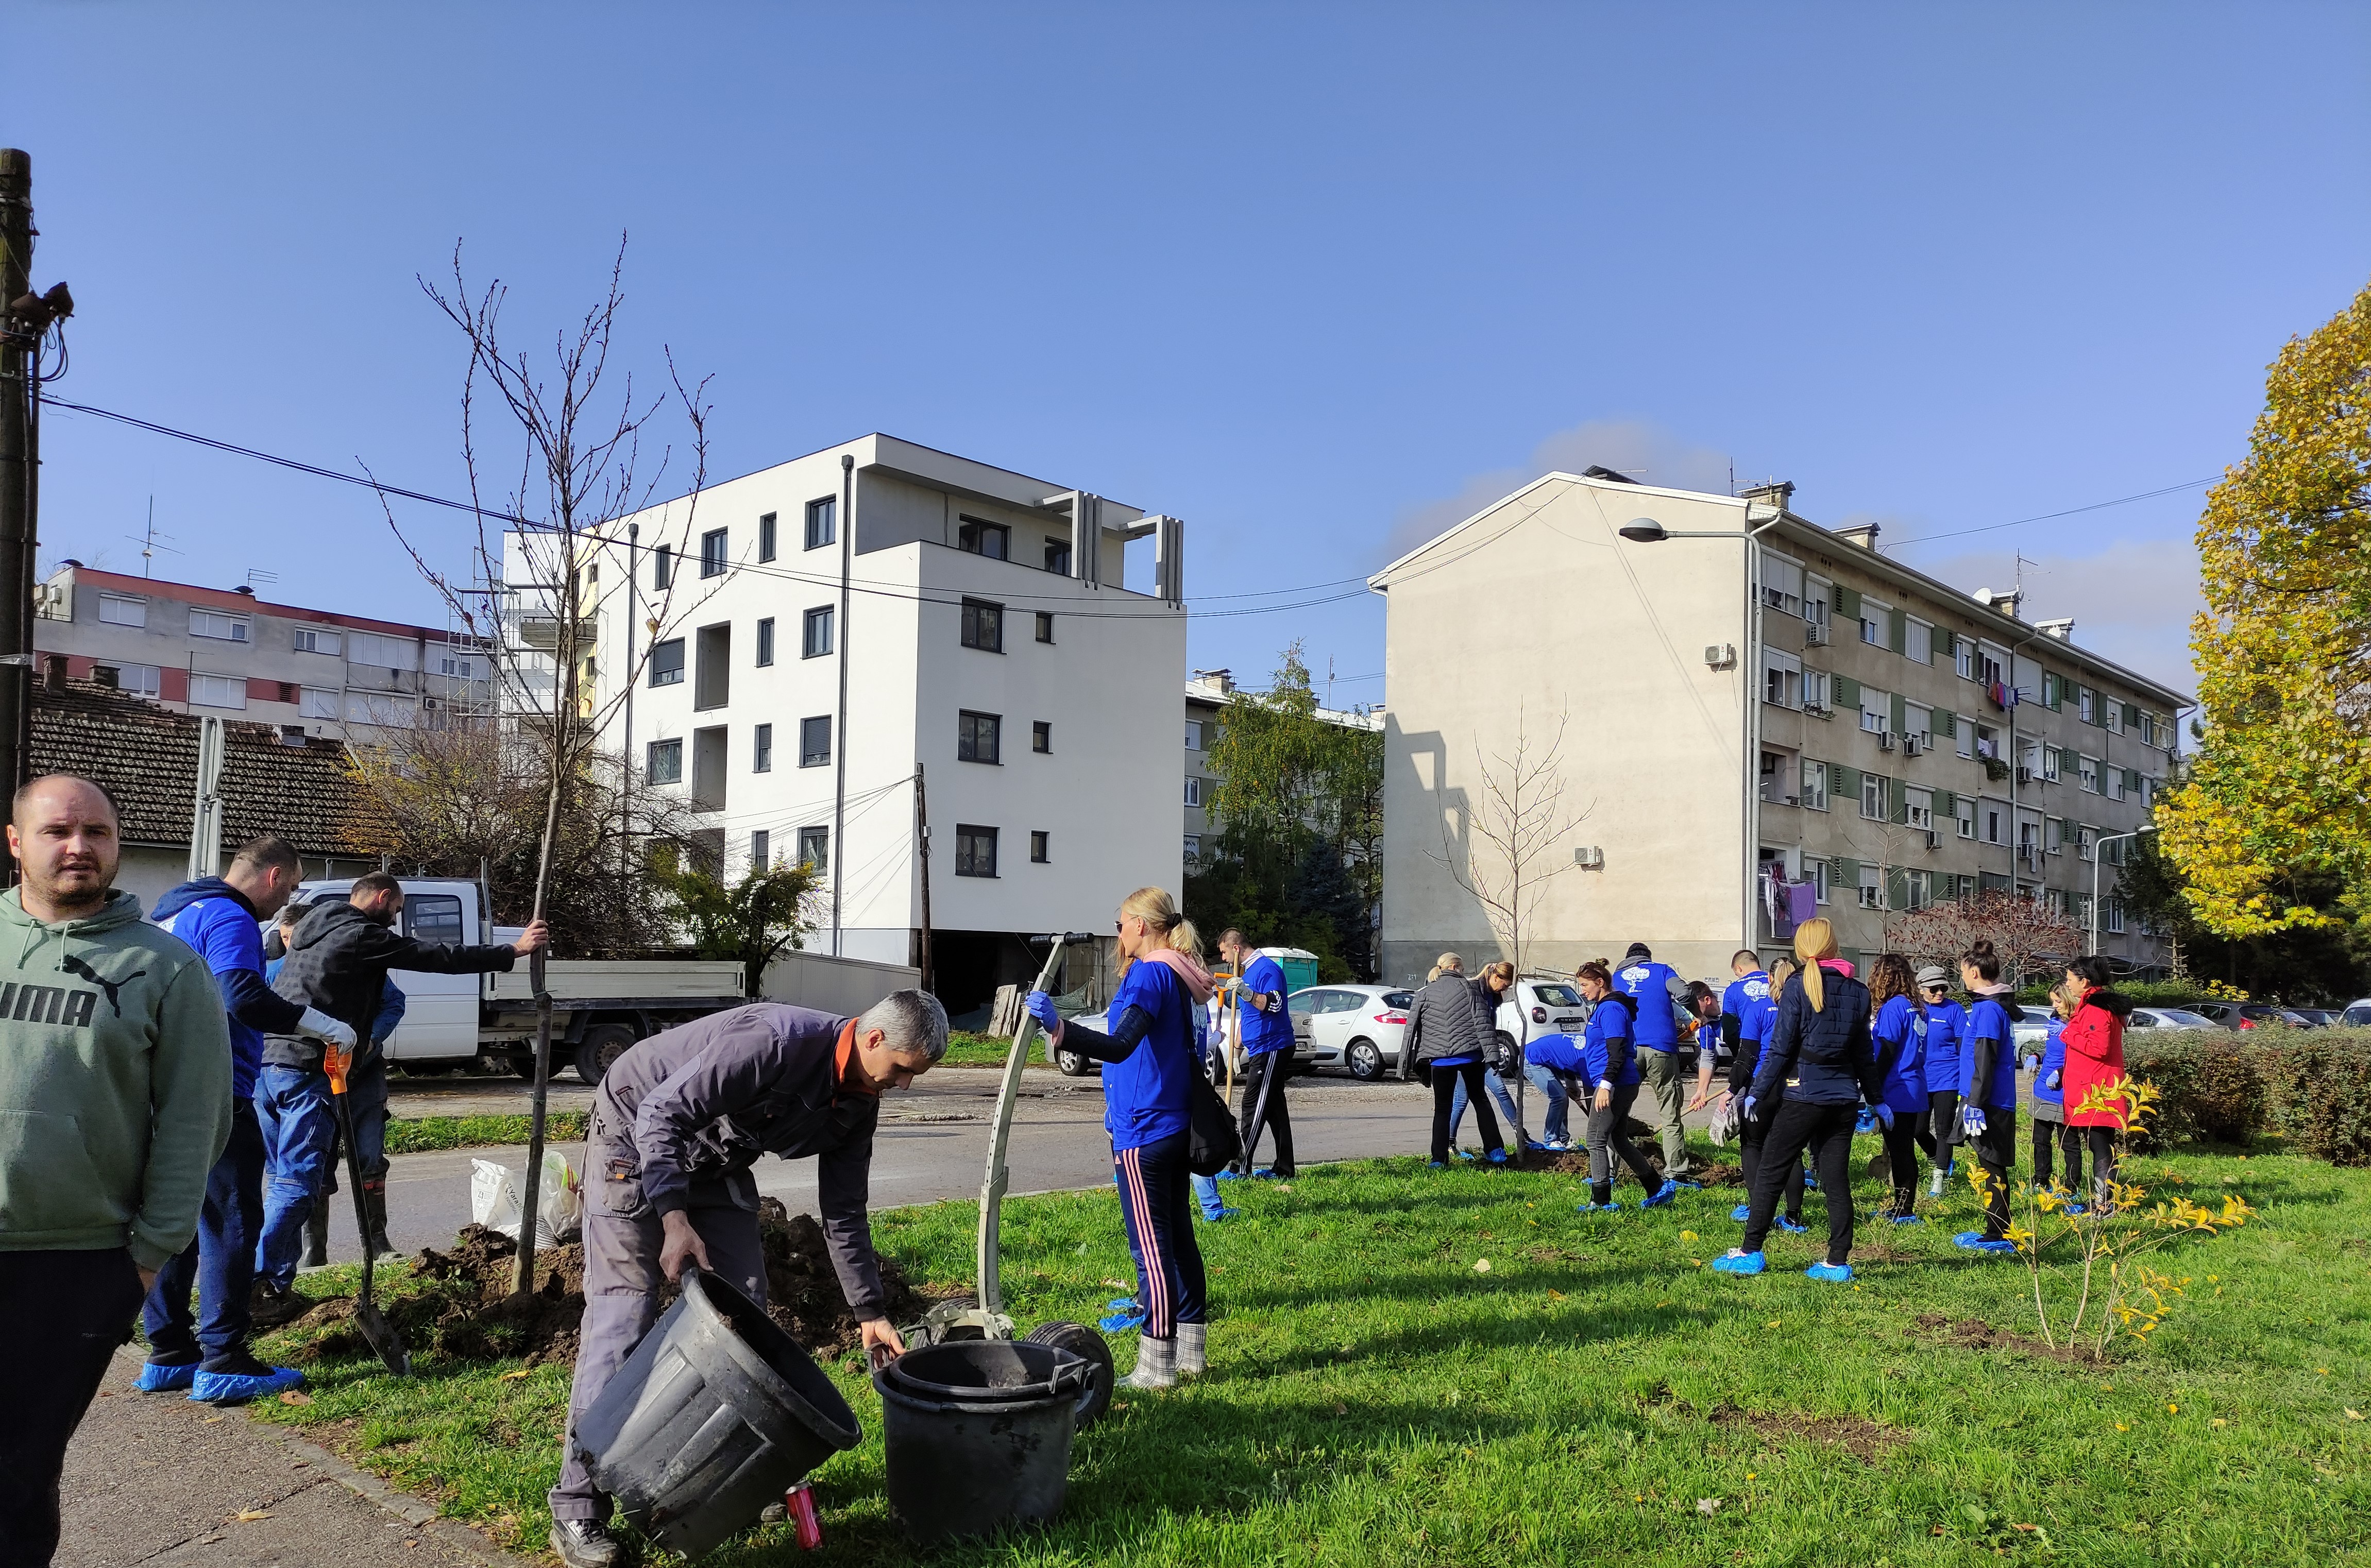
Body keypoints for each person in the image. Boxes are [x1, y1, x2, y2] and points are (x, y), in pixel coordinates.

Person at [0, 776, 233, 1565]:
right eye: (57, 831)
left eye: (96, 832)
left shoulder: (166, 968)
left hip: (76, 1262)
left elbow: (196, 1121)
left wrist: (148, 1255)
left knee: (17, 1474)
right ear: (15, 842)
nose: (79, 847)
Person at [252, 874, 547, 1319]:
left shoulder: (314, 928)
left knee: (282, 1181)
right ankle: (261, 1286)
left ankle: (272, 1283)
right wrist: (513, 951)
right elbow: (435, 956)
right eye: (396, 909)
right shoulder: (359, 935)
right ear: (383, 897)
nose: (395, 919)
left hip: (271, 1065)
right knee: (298, 1183)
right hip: (307, 1069)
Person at [139, 837, 353, 1404]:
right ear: (274, 876)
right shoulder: (231, 915)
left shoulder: (175, 912)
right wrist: (320, 1024)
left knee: (176, 1217)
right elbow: (240, 995)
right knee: (231, 1218)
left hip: (159, 1087)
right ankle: (224, 1357)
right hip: (213, 1088)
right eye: (292, 887)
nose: (289, 900)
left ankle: (169, 1351)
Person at [1028, 888, 1211, 1395]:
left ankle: (1157, 1365)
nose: (1118, 933)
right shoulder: (1179, 971)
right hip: (1171, 1124)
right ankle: (1192, 1353)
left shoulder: (1151, 973)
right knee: (1179, 1241)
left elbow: (1120, 1044)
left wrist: (1059, 1027)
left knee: (1151, 1250)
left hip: (1143, 1129)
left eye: (1121, 923)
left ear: (1142, 926)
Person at [1713, 918, 1879, 1283]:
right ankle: (1837, 1261)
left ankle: (1750, 1251)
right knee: (1835, 1179)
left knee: (1771, 1170)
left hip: (1803, 1094)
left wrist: (1757, 1092)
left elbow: (1781, 1048)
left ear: (1801, 949)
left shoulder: (1796, 986)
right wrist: (1877, 1099)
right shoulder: (1859, 991)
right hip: (1844, 1098)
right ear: (1833, 945)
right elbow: (1864, 1053)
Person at [308, 980, 408, 1268]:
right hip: (313, 1074)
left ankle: (377, 1242)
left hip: (364, 1073)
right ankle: (313, 1250)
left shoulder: (363, 964)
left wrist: (370, 1042)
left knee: (370, 1157)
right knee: (315, 1162)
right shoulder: (285, 968)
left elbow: (393, 1003)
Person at [1568, 962, 1672, 1211]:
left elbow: (1616, 1051)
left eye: (1585, 985)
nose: (1582, 990)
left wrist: (1605, 1085)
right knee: (1618, 1140)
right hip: (1619, 1082)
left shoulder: (1612, 1009)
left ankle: (1601, 1200)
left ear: (1600, 982)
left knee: (1595, 1139)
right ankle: (1656, 1188)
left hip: (1615, 1083)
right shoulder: (1605, 1007)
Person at [1721, 955, 1806, 1231]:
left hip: (1762, 1085)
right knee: (1792, 1151)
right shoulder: (1804, 1007)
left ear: (1769, 979)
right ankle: (1793, 1217)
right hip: (1796, 1085)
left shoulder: (1757, 1009)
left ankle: (1759, 1211)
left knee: (1752, 1145)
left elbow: (1747, 1054)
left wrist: (1732, 1089)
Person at [1952, 940, 2024, 1255]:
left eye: (1963, 971)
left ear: (1975, 973)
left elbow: (1985, 1058)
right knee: (1988, 1164)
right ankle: (1996, 1228)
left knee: (1992, 1165)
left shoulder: (1990, 1010)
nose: (1962, 977)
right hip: (1983, 1098)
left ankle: (1999, 1232)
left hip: (1989, 1102)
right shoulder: (1988, 1006)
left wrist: (1976, 1104)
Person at [1404, 954, 1506, 1168]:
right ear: (1454, 967)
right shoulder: (1470, 989)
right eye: (1462, 968)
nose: (1463, 972)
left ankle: (1438, 1160)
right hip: (1471, 1056)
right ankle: (1495, 1151)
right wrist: (1493, 1056)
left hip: (1439, 1061)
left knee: (1442, 1109)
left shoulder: (1425, 993)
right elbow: (1483, 1024)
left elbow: (1413, 1029)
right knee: (1480, 1100)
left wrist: (1412, 1063)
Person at [1613, 943, 1698, 1186]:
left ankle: (1608, 1172)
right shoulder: (1662, 971)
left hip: (1629, 1049)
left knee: (1616, 1114)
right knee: (1670, 1113)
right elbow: (1685, 994)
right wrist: (1697, 1014)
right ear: (1648, 958)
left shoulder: (1616, 978)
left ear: (1628, 959)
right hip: (1661, 1049)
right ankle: (1676, 1172)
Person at [1217, 928, 1295, 1181]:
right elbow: (1248, 1017)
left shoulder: (1267, 969)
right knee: (1273, 1109)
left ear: (1236, 948)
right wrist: (1235, 1052)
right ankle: (1285, 1169)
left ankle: (1240, 1167)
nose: (1224, 959)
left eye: (1225, 953)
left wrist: (1247, 993)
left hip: (1272, 1045)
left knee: (1252, 1104)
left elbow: (1275, 1004)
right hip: (1260, 1047)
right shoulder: (1247, 974)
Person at [2059, 955, 2133, 1209]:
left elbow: (2099, 1048)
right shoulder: (2095, 1005)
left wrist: (2068, 1034)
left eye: (2070, 979)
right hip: (2095, 1086)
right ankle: (2104, 1200)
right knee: (2099, 1145)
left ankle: (2105, 1203)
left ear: (2085, 981)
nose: (2067, 984)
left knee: (2101, 1146)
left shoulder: (2096, 1009)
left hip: (2097, 1089)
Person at [1867, 953, 1929, 1224]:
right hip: (1915, 1084)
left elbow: (1887, 1052)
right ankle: (1904, 1206)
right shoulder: (1918, 1007)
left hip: (1897, 1086)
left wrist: (1873, 1090)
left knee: (1900, 1150)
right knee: (1905, 1149)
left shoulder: (1894, 1008)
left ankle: (1904, 1210)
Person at [1449, 961, 1530, 1152]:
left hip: (1485, 1053)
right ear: (1495, 977)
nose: (1505, 989)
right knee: (1461, 1099)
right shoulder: (1473, 990)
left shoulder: (1492, 996)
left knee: (1501, 1091)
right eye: (1505, 985)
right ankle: (1449, 1142)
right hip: (1468, 1053)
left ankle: (1521, 1134)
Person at [1917, 965, 1967, 1197]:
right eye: (1934, 989)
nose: (1939, 993)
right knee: (1918, 1130)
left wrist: (1966, 1079)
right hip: (1920, 1078)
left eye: (1943, 988)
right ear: (1921, 989)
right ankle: (1939, 1157)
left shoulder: (1954, 1010)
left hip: (1948, 1077)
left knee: (1943, 1129)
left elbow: (1964, 1046)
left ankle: (1940, 1178)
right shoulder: (1914, 1009)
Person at [2027, 985, 2077, 1199]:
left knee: (2069, 1143)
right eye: (2052, 1001)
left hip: (2064, 1093)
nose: (2054, 1006)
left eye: (2058, 1001)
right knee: (2040, 1140)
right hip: (2043, 1090)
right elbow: (2053, 1050)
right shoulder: (2055, 1021)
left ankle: (2071, 1188)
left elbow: (2082, 1057)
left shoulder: (2078, 1024)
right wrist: (2036, 1056)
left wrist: (2060, 1072)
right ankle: (2041, 1181)